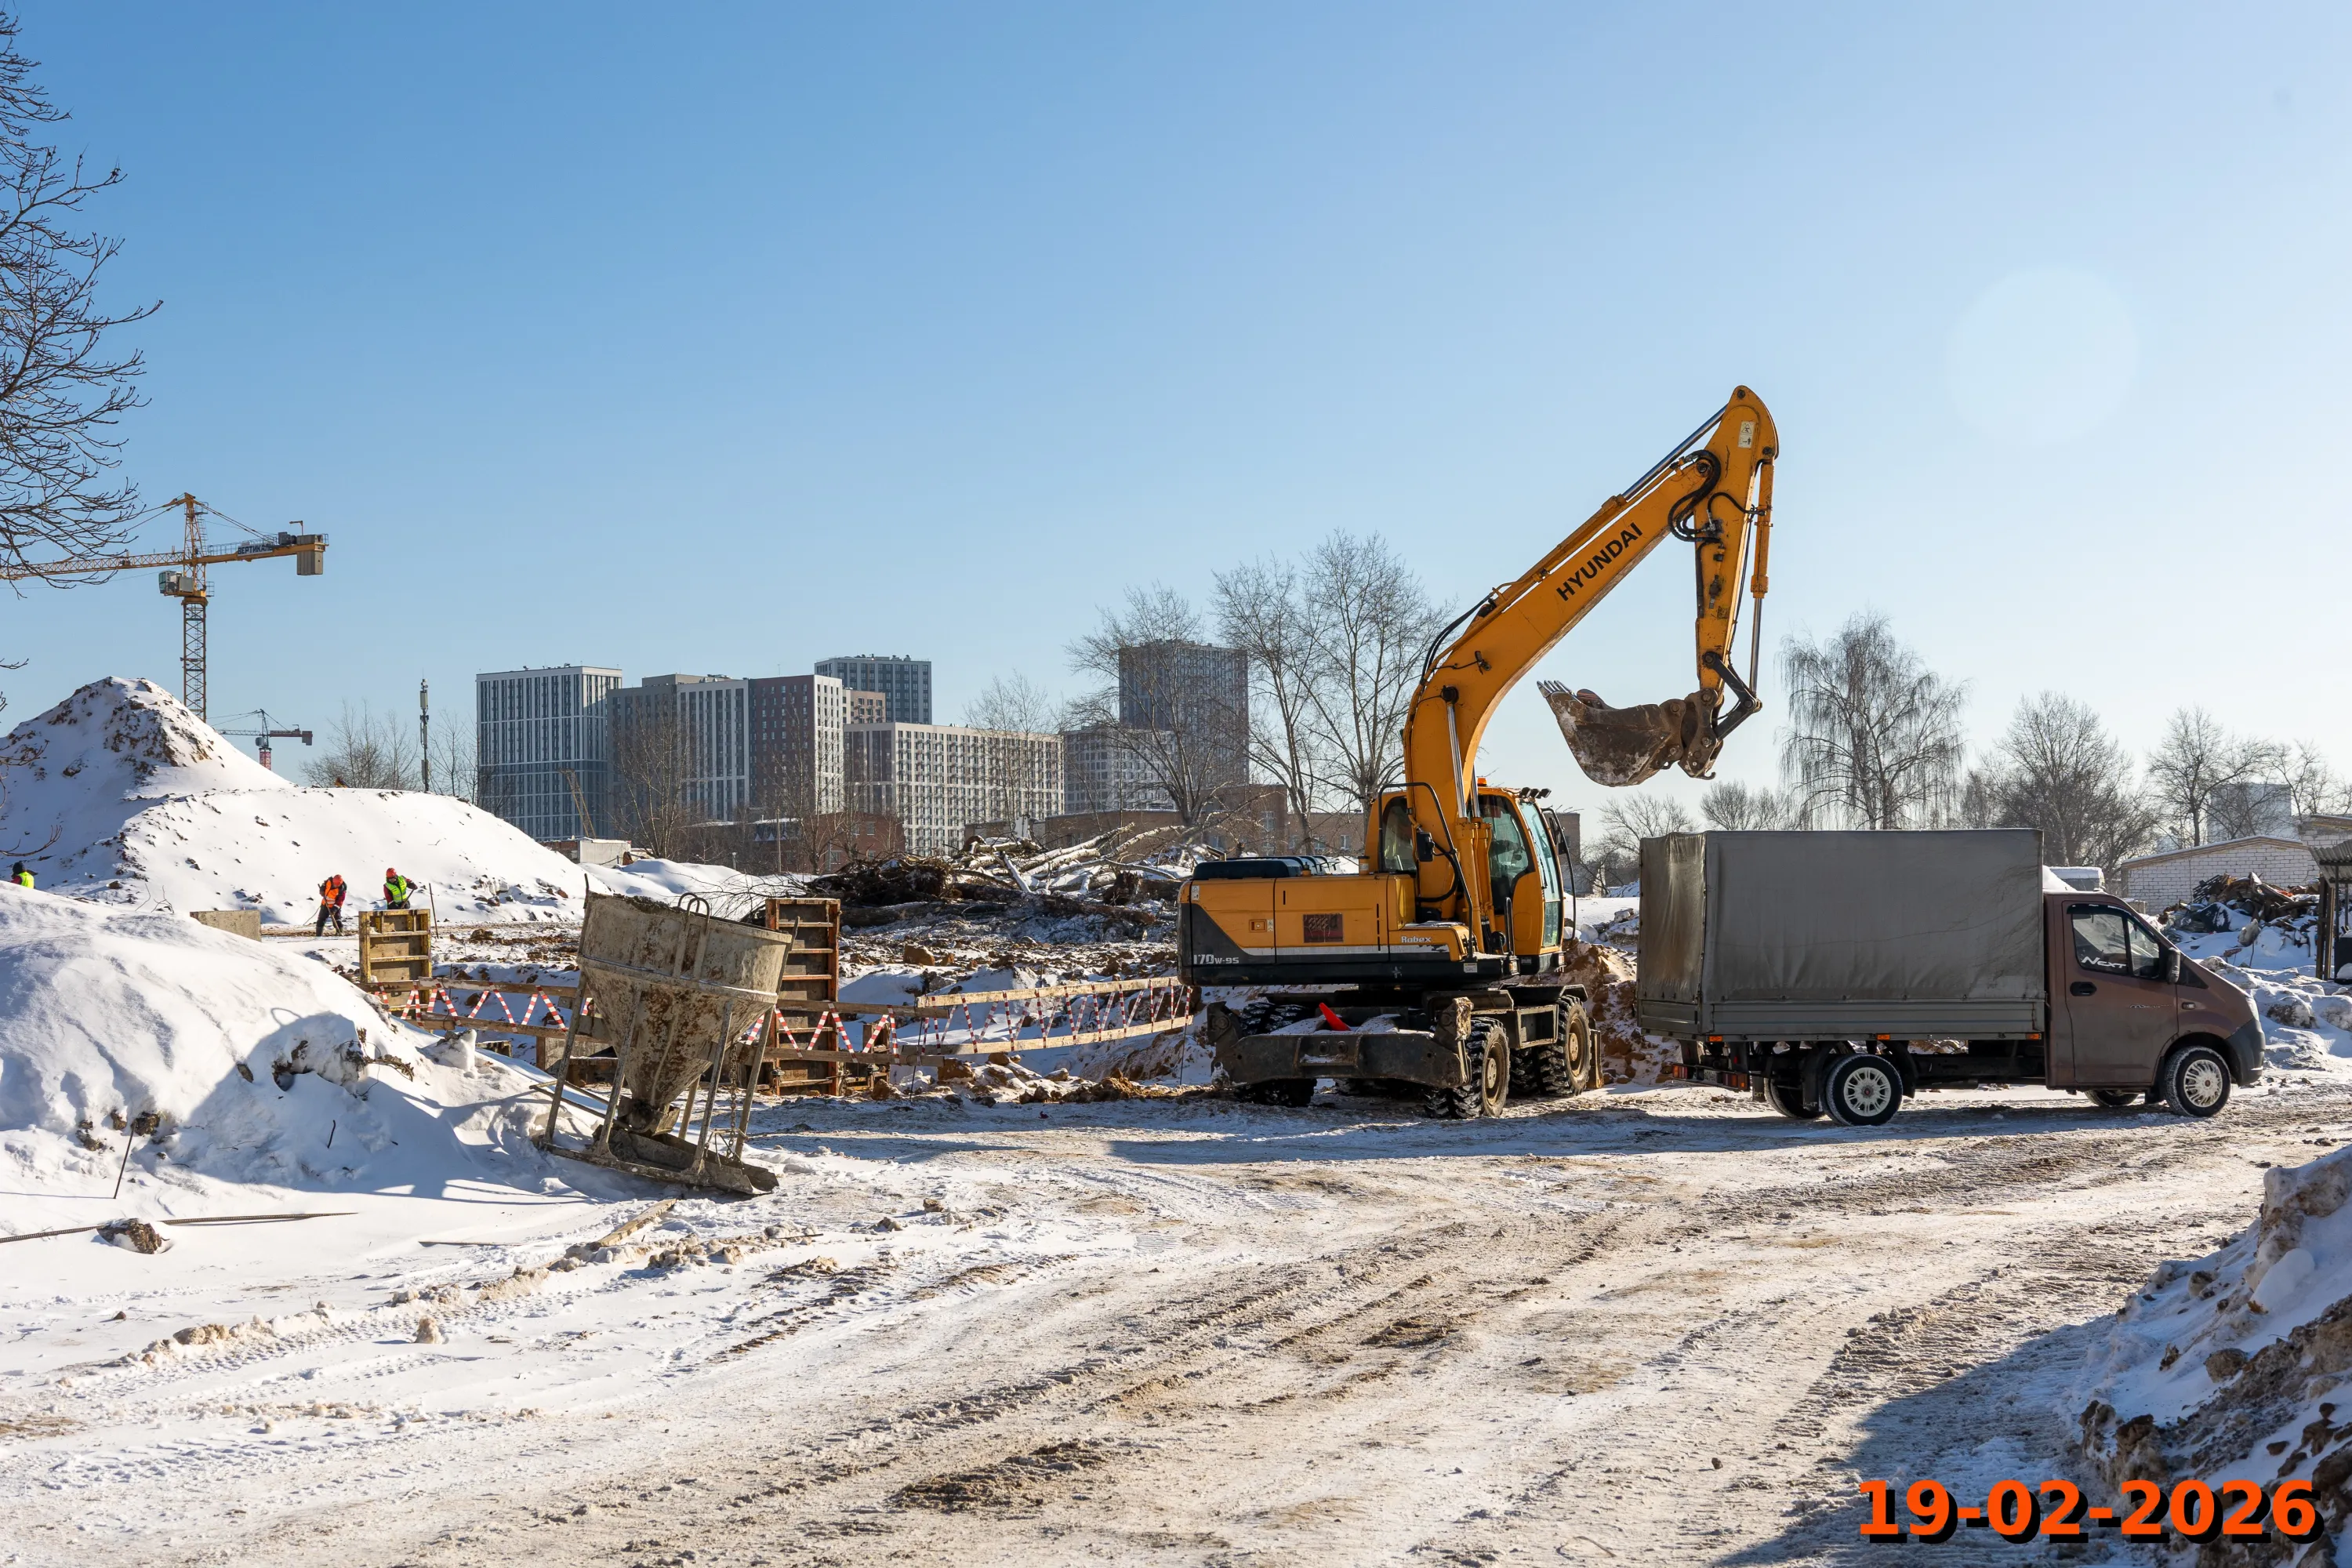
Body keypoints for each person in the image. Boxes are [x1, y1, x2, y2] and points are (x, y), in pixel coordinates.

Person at [315, 872, 347, 936]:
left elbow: (340, 902)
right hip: (325, 904)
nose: (335, 886)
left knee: (337, 920)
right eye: (334, 884)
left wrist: (334, 910)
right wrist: (322, 889)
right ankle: (318, 936)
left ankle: (340, 933)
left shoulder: (342, 890)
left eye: (337, 885)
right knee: (320, 920)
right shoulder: (329, 881)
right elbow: (324, 885)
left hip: (335, 907)